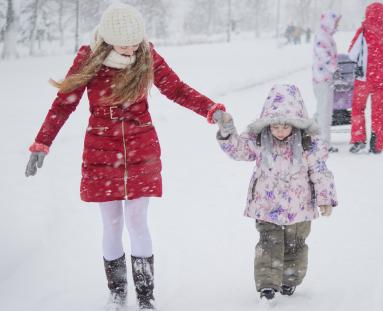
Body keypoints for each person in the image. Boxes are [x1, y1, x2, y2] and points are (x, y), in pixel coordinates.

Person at [24, 3, 225, 310]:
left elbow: (178, 90)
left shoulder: (146, 54)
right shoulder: (89, 58)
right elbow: (64, 103)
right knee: (112, 223)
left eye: (135, 42)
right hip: (101, 150)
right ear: (107, 38)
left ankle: (146, 296)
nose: (132, 49)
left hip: (141, 146)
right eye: (125, 43)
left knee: (136, 220)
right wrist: (42, 142)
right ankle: (117, 292)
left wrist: (212, 110)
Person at [213, 84, 337, 302]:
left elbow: (320, 172)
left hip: (299, 207)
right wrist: (227, 132)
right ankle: (267, 286)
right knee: (269, 244)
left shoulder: (308, 145)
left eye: (285, 126)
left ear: (295, 124)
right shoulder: (260, 141)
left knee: (295, 245)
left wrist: (325, 199)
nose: (280, 131)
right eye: (275, 126)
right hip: (266, 206)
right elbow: (239, 150)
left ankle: (290, 279)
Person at [348, 2, 383, 154]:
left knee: (358, 109)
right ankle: (376, 144)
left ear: (368, 13)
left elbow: (352, 54)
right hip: (381, 79)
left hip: (364, 79)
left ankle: (359, 140)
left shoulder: (363, 32)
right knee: (378, 111)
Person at [312, 11, 341, 153]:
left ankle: (310, 135)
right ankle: (323, 144)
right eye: (335, 22)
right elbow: (324, 55)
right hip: (323, 79)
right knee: (325, 112)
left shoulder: (326, 36)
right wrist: (335, 69)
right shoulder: (322, 36)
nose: (337, 25)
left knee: (321, 112)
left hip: (324, 79)